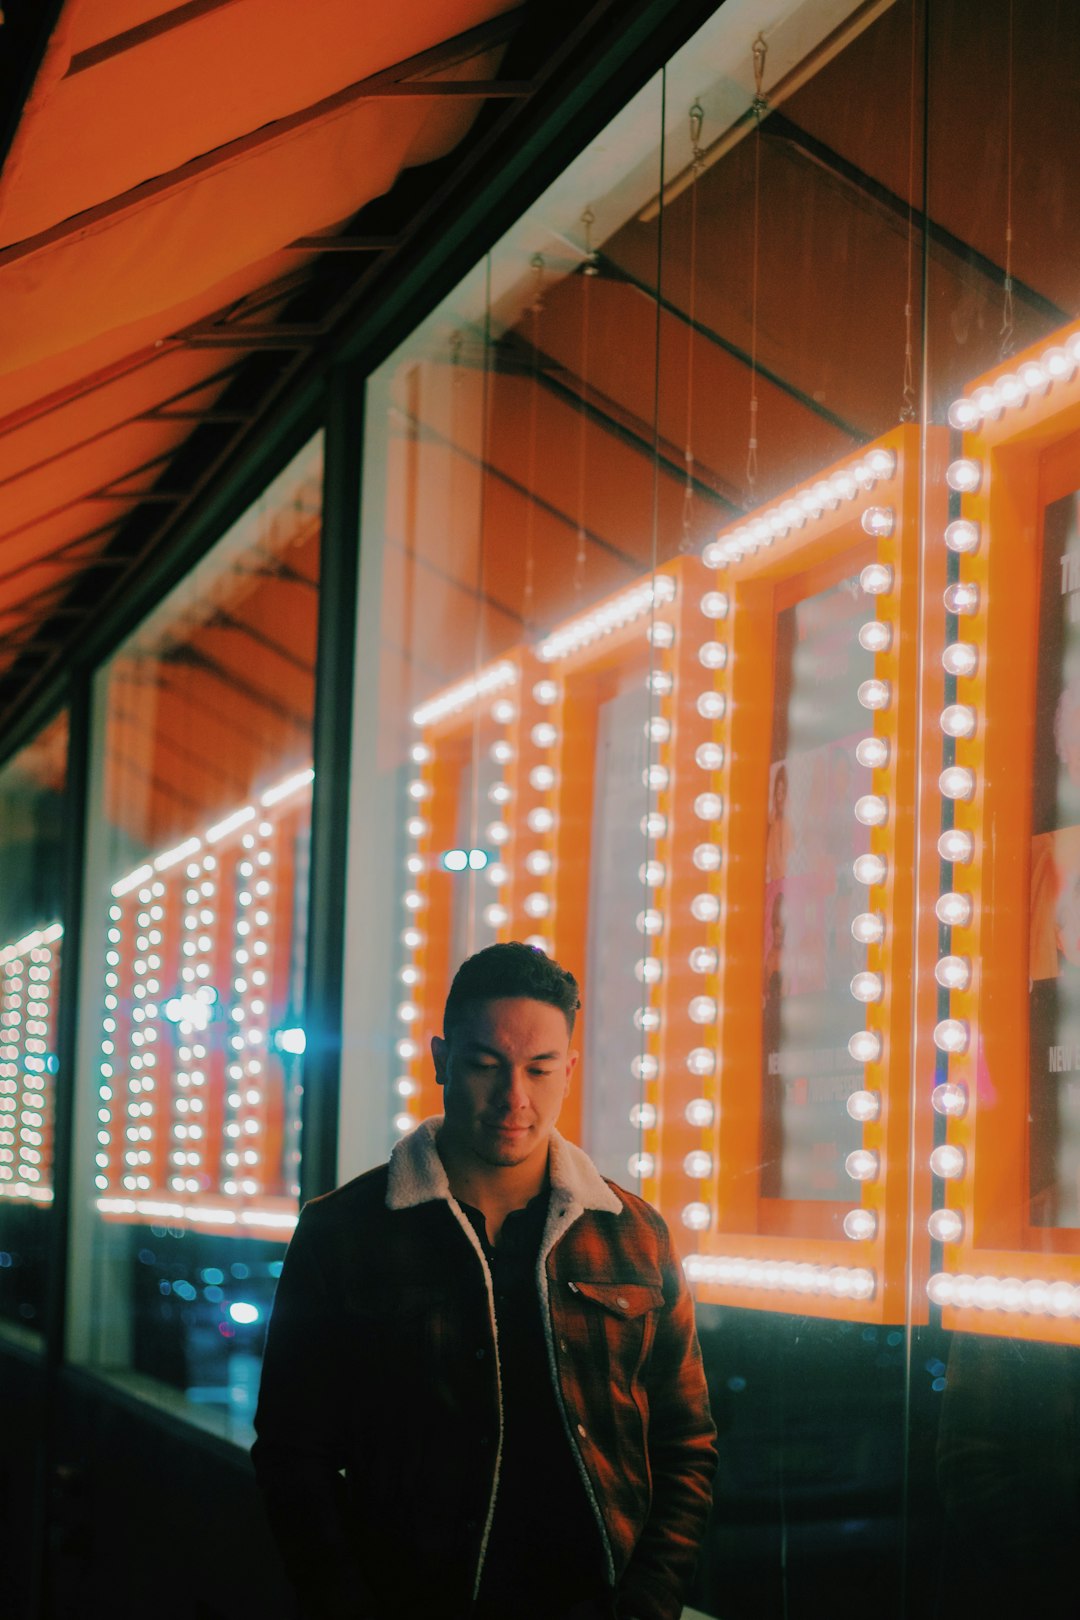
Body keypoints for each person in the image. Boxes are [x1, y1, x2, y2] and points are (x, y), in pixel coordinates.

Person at [252, 941, 717, 1620]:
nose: (514, 1099)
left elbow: (686, 1445)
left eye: (539, 1068)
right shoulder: (344, 1233)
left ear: (570, 1070)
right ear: (442, 1061)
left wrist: (650, 1602)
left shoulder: (634, 1233)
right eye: (484, 1065)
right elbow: (293, 1455)